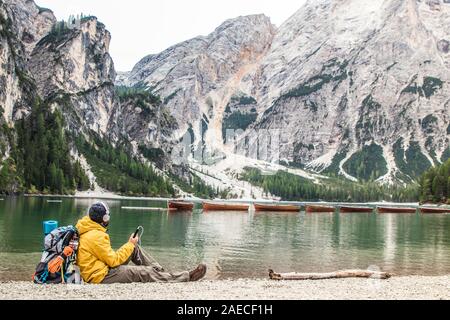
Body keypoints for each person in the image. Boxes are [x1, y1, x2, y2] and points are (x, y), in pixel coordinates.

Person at [75, 202, 207, 284]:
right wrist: (130, 244)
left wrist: (131, 246)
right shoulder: (96, 235)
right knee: (144, 272)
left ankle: (161, 272)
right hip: (101, 276)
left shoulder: (89, 229)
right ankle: (186, 277)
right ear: (104, 218)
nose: (108, 219)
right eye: (107, 217)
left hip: (101, 268)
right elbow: (113, 261)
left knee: (135, 249)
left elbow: (109, 258)